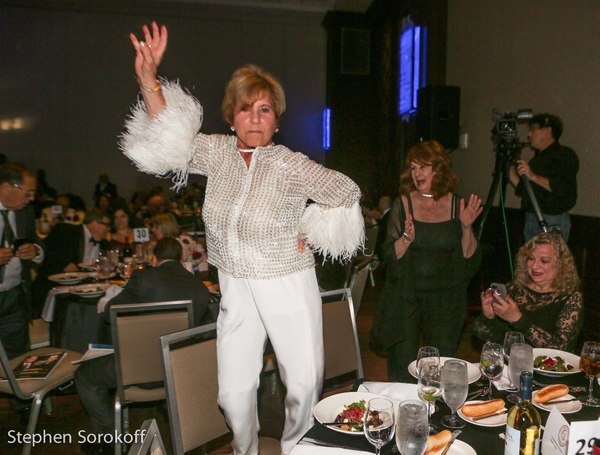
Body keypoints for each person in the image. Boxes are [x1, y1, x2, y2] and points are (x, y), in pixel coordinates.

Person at [121, 22, 363, 455]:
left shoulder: (290, 164)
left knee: (304, 384)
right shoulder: (216, 153)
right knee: (232, 395)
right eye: (246, 109)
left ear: (276, 121)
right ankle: (245, 449)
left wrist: (311, 228)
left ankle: (295, 449)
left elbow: (346, 191)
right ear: (232, 117)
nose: (255, 117)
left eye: (265, 109)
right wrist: (148, 79)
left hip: (287, 281)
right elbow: (169, 136)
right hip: (235, 286)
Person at [75, 237, 214, 454]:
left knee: (85, 377)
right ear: (181, 258)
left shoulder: (143, 276)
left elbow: (111, 314)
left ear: (154, 258)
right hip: (180, 371)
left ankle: (110, 442)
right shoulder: (199, 287)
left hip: (138, 370)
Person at [370, 140, 482, 382]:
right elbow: (388, 254)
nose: (417, 174)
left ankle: (439, 414)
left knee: (441, 368)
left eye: (423, 167)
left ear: (438, 170)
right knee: (403, 364)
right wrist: (406, 240)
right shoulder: (404, 204)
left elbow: (469, 257)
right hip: (406, 296)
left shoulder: (456, 205)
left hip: (445, 299)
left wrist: (466, 227)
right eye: (413, 168)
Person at [473, 231, 582, 353]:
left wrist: (518, 319)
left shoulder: (571, 298)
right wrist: (488, 317)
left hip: (542, 369)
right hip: (506, 365)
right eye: (531, 258)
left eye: (544, 261)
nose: (535, 266)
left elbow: (561, 349)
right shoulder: (514, 288)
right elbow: (484, 336)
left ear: (560, 265)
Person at [509, 113, 579, 241]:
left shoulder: (564, 155)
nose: (529, 135)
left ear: (548, 129)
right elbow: (524, 189)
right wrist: (509, 170)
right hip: (531, 216)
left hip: (552, 218)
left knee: (551, 259)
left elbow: (562, 187)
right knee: (531, 258)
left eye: (533, 129)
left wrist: (533, 176)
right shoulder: (536, 160)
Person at [0, 163, 43, 358]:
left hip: (15, 297)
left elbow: (37, 241)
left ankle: (15, 389)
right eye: (28, 193)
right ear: (7, 188)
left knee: (18, 358)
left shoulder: (25, 212)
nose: (31, 199)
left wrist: (35, 250)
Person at [31, 208, 110, 314]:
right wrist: (65, 264)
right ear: (94, 223)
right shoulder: (66, 230)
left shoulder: (104, 244)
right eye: (107, 225)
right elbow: (46, 251)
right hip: (55, 291)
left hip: (87, 291)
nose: (108, 229)